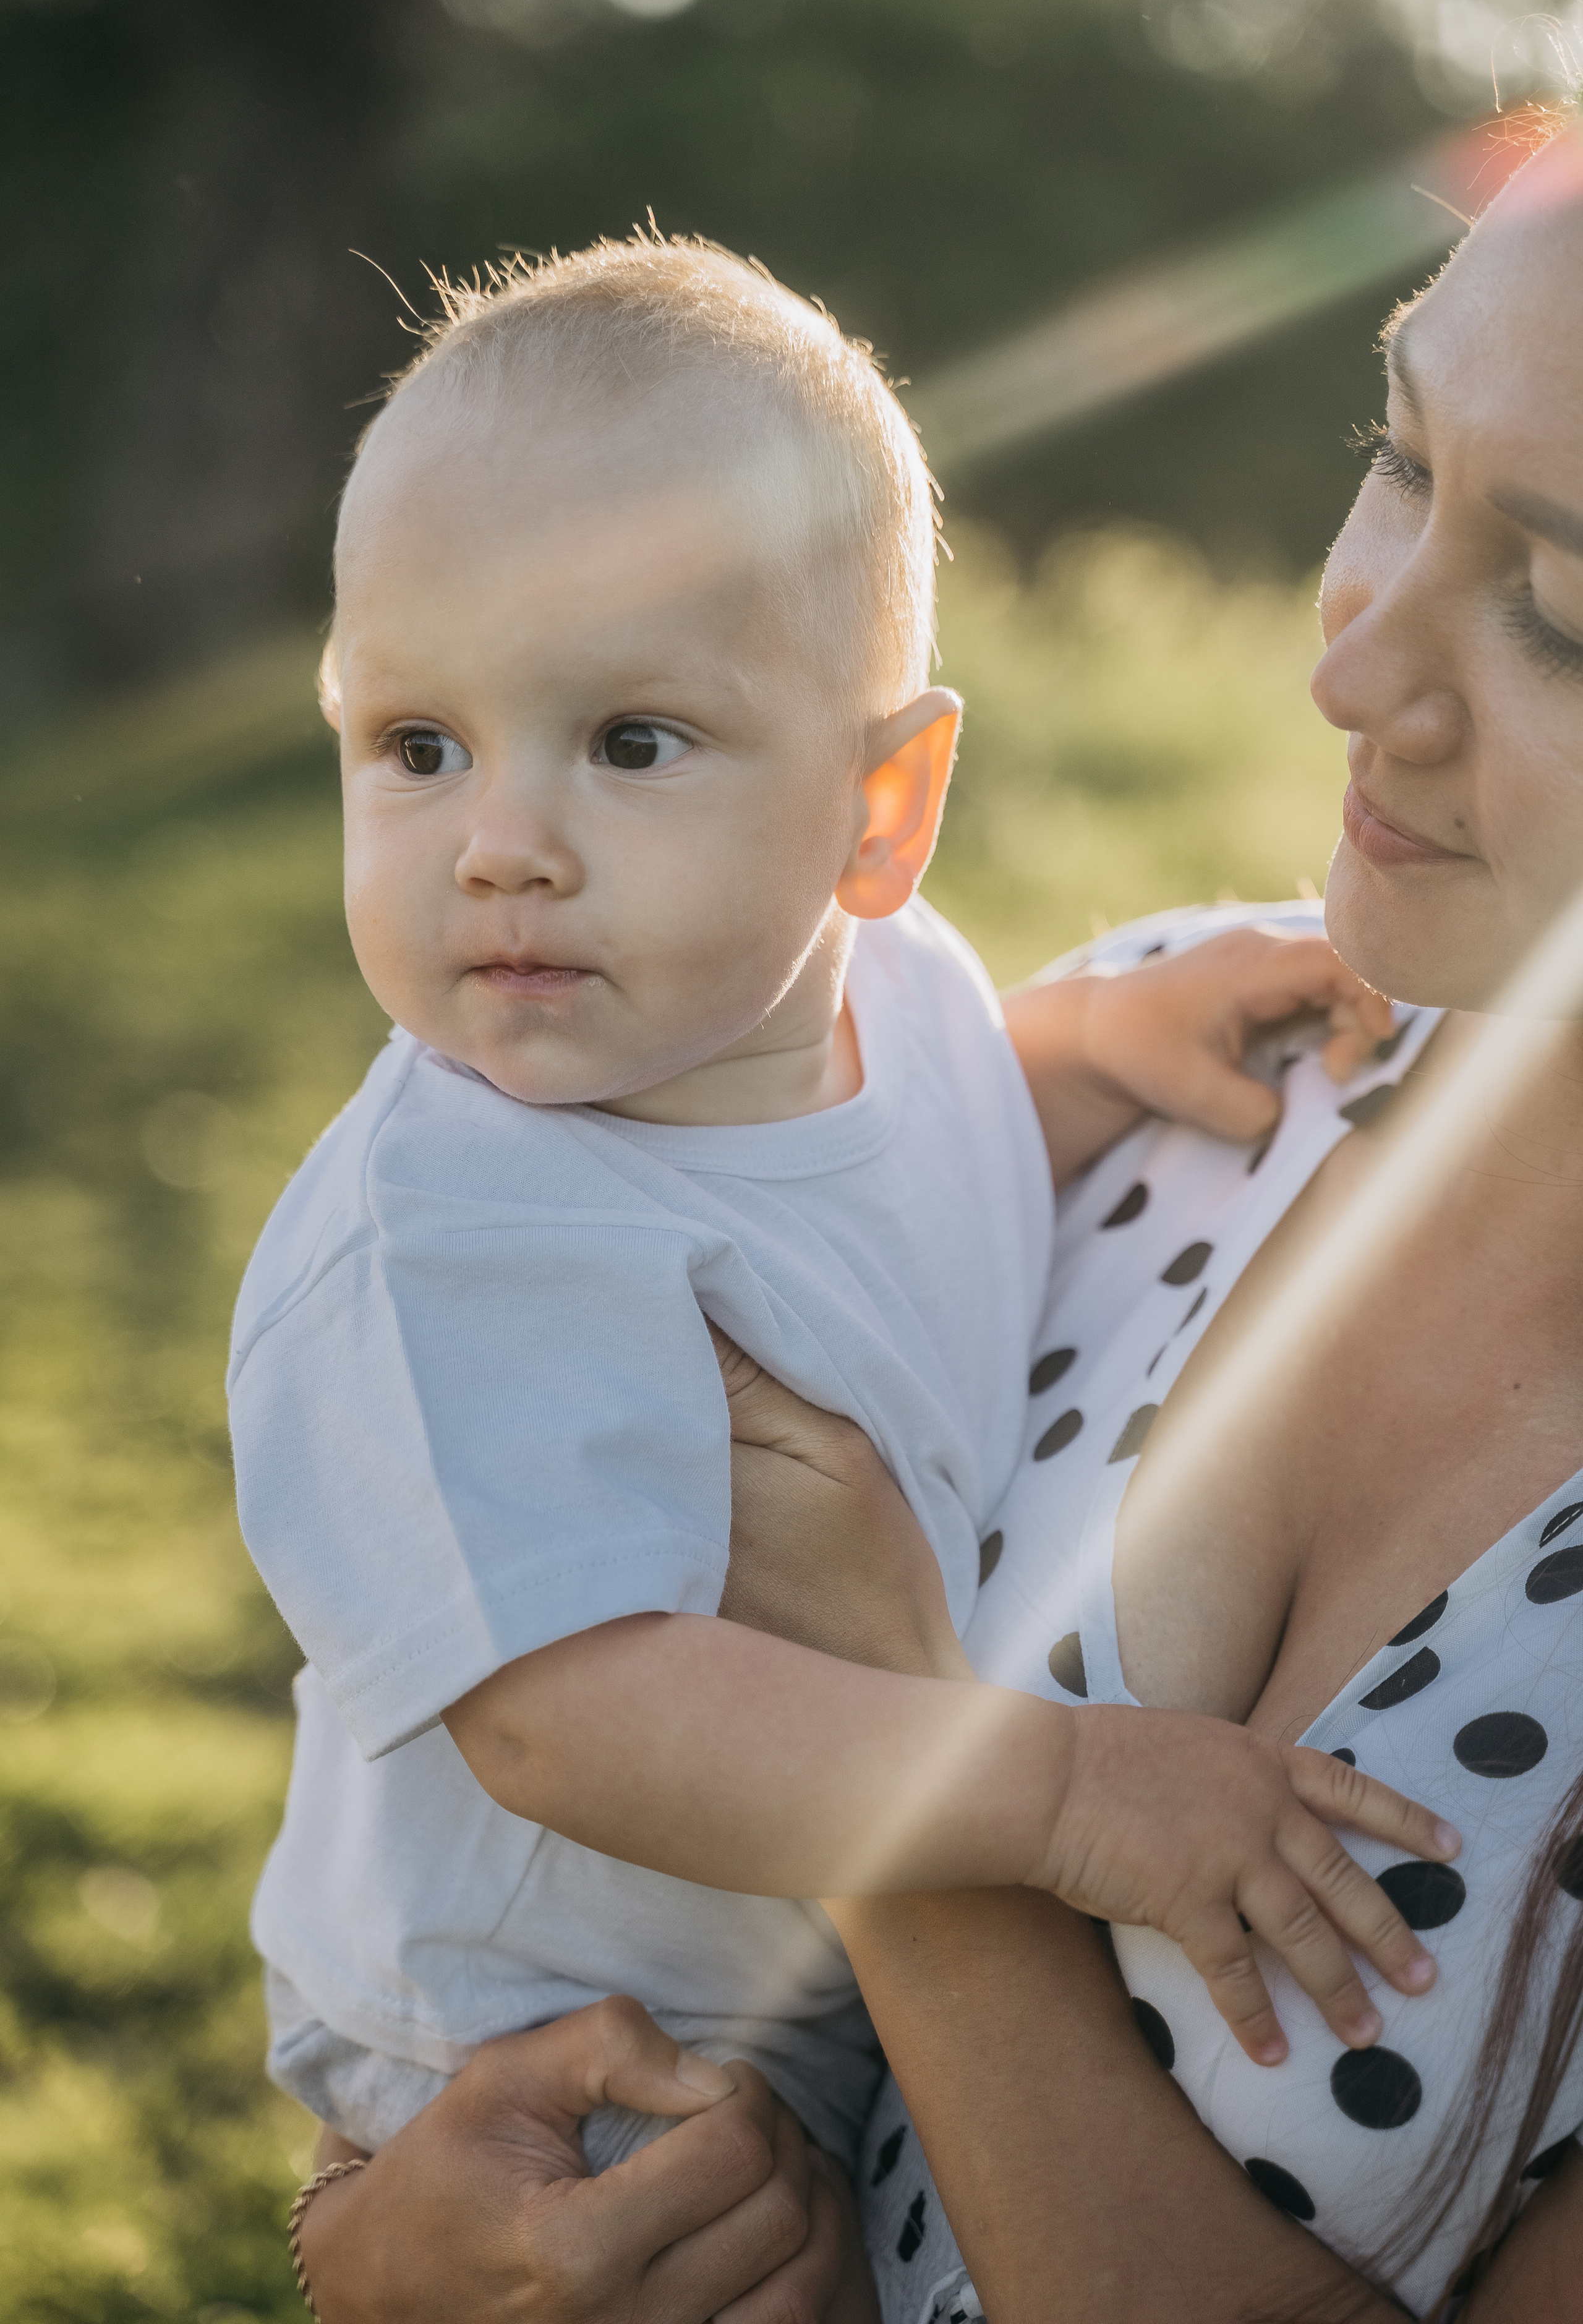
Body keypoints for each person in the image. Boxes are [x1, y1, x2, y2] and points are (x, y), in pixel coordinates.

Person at [289, 119, 1583, 2323]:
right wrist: (373, 2236)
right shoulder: (1209, 1053)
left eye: (1560, 607)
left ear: (882, 806)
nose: (1351, 673)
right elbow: (516, 1773)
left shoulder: (897, 1009)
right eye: (1394, 458)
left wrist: (935, 1773)